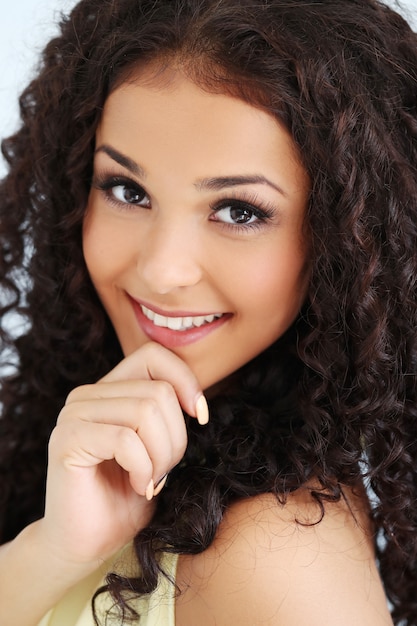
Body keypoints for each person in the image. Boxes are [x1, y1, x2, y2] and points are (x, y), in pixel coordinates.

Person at [1, 0, 417, 623]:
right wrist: (54, 550)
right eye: (128, 190)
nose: (162, 270)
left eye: (239, 211)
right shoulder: (87, 448)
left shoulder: (277, 562)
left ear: (346, 241)